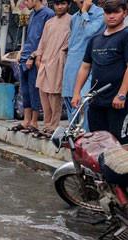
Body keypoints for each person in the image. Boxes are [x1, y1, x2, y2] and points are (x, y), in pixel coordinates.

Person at [73, 0, 128, 143]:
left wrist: (121, 95)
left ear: (125, 13)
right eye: (108, 12)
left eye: (116, 12)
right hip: (97, 101)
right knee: (98, 141)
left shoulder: (125, 36)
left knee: (119, 142)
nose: (111, 16)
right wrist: (76, 92)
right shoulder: (95, 40)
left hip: (118, 102)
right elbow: (85, 67)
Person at [9, 0, 55, 134]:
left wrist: (34, 56)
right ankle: (26, 119)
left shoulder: (48, 14)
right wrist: (21, 51)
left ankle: (34, 121)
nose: (25, 2)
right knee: (25, 90)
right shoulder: (33, 14)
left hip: (35, 58)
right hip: (25, 55)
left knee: (34, 89)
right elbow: (30, 37)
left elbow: (46, 39)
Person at [33, 0, 71, 138]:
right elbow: (43, 41)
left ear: (68, 5)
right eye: (57, 4)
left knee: (55, 94)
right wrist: (38, 56)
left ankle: (54, 125)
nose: (60, 7)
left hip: (59, 60)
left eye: (63, 4)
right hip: (45, 60)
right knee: (43, 92)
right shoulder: (49, 22)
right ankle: (47, 123)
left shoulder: (71, 21)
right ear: (53, 6)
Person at [62, 0, 105, 123]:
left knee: (86, 101)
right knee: (70, 100)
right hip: (71, 64)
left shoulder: (100, 14)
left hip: (89, 65)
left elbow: (89, 33)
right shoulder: (75, 17)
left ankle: (86, 136)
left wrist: (85, 12)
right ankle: (73, 137)